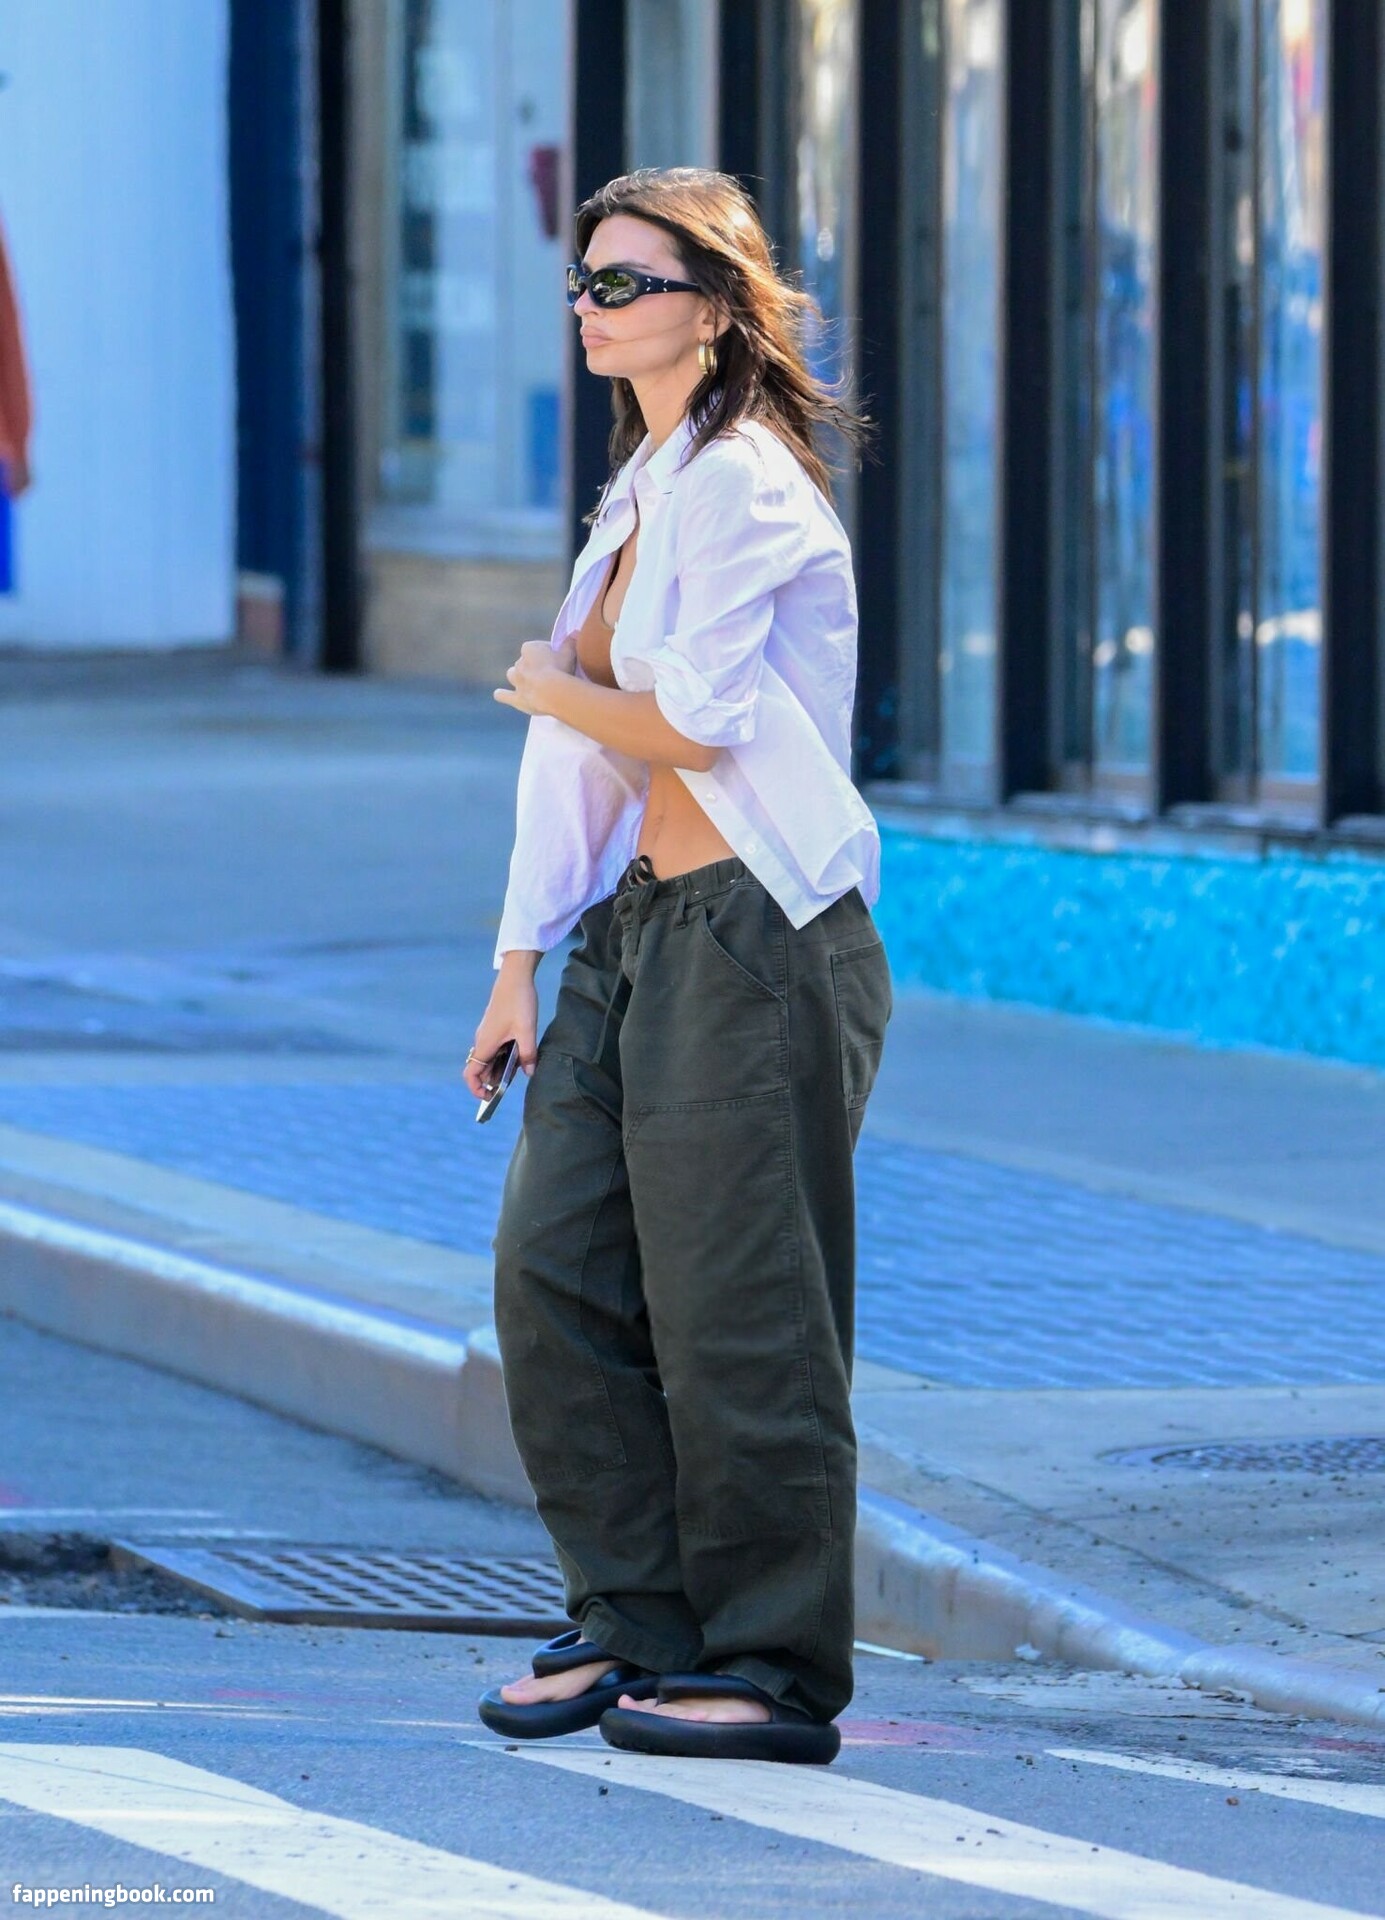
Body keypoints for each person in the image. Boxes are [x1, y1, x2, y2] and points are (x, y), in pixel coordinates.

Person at [465, 166, 892, 1766]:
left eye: (624, 282)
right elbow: (583, 763)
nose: (590, 307)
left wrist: (546, 682)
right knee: (553, 1272)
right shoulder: (642, 486)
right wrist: (517, 962)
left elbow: (687, 727)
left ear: (713, 306)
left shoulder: (743, 483)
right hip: (632, 930)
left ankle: (769, 1663)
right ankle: (635, 1618)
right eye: (583, 280)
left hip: (757, 934)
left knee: (740, 1312)